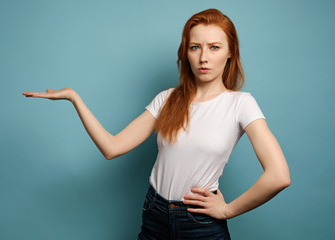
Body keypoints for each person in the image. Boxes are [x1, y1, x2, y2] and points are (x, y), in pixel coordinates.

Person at [23, 8, 290, 240]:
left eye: (214, 47)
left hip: (200, 223)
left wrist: (228, 209)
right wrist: (74, 98)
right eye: (195, 47)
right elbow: (111, 148)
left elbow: (278, 176)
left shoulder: (241, 104)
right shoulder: (167, 99)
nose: (203, 57)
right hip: (154, 213)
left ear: (230, 52)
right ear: (186, 52)